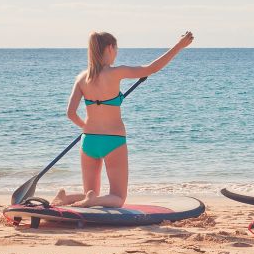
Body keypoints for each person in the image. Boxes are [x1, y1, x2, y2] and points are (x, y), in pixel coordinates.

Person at [52, 30, 194, 208]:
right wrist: (179, 46)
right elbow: (152, 68)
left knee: (91, 194)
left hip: (88, 140)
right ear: (110, 48)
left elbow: (70, 113)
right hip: (114, 141)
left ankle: (66, 198)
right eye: (116, 49)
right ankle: (91, 200)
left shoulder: (81, 78)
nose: (116, 54)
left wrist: (86, 127)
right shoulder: (116, 72)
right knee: (118, 198)